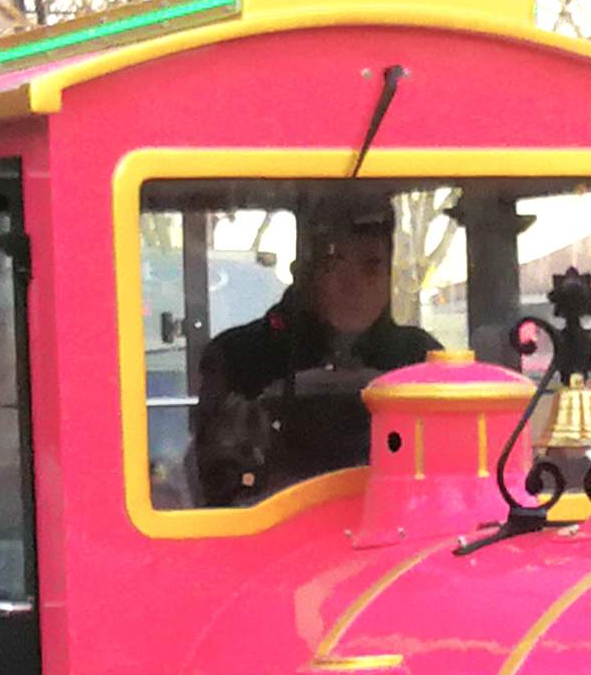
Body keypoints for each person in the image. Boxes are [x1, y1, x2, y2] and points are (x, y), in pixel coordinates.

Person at [186, 191, 444, 504]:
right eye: (334, 263)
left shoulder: (421, 360)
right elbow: (213, 483)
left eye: (372, 266)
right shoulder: (238, 356)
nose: (354, 285)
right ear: (305, 273)